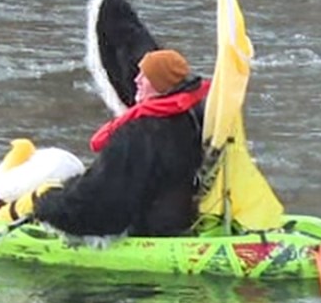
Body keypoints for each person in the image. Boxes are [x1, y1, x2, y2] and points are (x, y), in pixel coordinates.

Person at [29, 43, 209, 237]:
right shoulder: (191, 117)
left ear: (160, 84)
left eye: (145, 76)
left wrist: (49, 206)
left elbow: (103, 196)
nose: (137, 80)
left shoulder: (139, 132)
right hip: (179, 217)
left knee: (51, 198)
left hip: (147, 228)